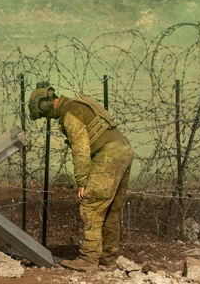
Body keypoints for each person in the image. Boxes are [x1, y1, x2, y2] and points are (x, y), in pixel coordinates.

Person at [28, 81, 134, 271]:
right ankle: (108, 259)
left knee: (92, 206)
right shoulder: (77, 104)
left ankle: (88, 258)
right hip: (123, 151)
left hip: (109, 155)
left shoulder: (69, 113)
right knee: (110, 210)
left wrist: (82, 181)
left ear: (46, 103)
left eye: (44, 114)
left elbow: (80, 147)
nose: (48, 117)